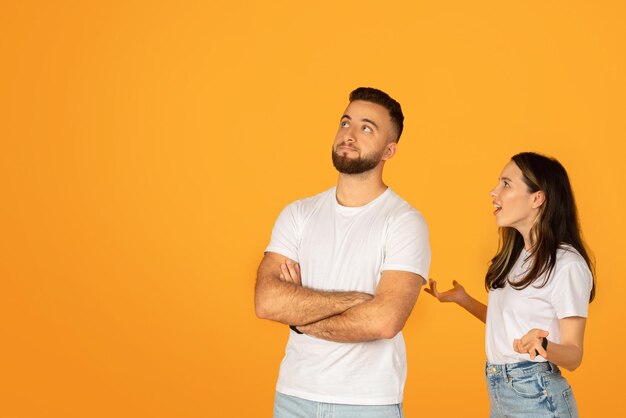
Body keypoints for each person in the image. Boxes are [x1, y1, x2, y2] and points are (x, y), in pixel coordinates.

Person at [255, 87, 431, 417]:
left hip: (367, 403)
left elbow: (384, 321)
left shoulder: (404, 222)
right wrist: (355, 301)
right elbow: (267, 301)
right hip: (293, 396)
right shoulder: (298, 214)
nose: (349, 135)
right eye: (345, 122)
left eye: (367, 128)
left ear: (389, 150)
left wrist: (298, 319)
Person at [426, 152, 595, 418]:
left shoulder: (567, 265)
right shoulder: (515, 257)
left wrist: (544, 345)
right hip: (501, 390)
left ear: (537, 198)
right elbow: (507, 325)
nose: (494, 192)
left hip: (537, 395)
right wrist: (463, 300)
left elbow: (574, 355)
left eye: (506, 184)